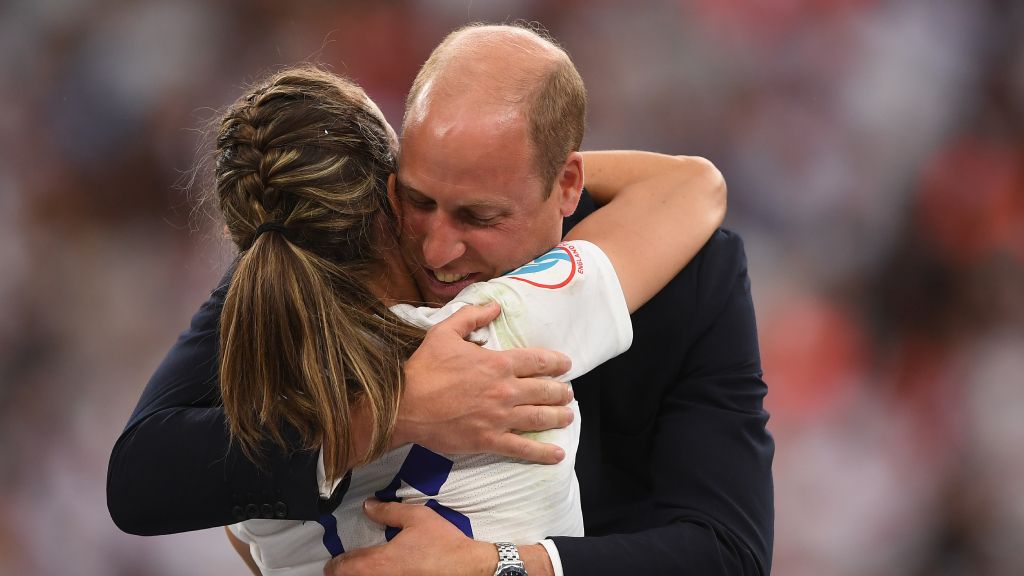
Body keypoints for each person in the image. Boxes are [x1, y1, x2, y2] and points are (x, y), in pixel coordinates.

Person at [108, 23, 773, 576]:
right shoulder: (498, 319)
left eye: (478, 214)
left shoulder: (696, 275)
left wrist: (501, 563)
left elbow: (726, 555)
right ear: (384, 184)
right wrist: (390, 411)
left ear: (565, 185)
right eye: (417, 201)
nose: (435, 250)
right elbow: (141, 477)